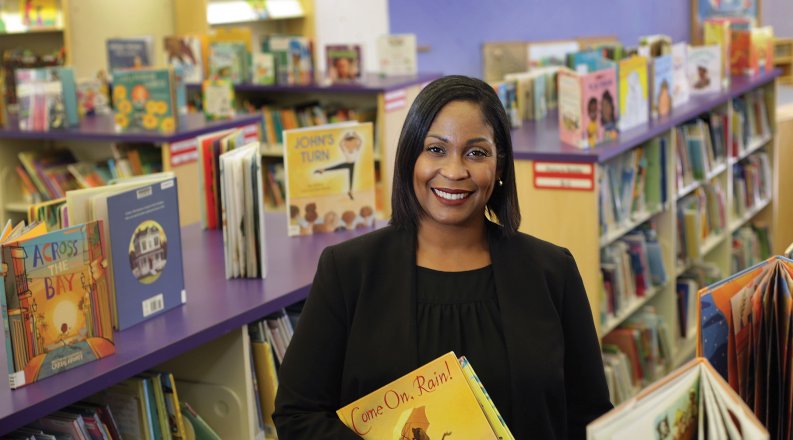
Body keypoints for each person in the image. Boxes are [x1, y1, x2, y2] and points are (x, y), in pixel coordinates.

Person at [273, 75, 612, 439]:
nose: (453, 171)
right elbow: (298, 414)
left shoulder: (552, 272)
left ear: (499, 168)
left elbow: (591, 418)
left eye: (476, 152)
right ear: (409, 159)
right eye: (436, 149)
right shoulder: (349, 271)